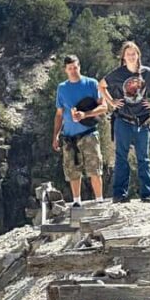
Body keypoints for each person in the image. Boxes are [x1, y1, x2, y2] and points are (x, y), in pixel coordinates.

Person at [100, 41, 150, 203]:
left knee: (143, 158)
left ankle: (147, 195)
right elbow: (101, 85)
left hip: (143, 121)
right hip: (123, 120)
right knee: (121, 157)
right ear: (123, 57)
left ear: (138, 55)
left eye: (134, 53)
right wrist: (111, 102)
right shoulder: (118, 73)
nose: (131, 56)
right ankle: (120, 194)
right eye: (128, 54)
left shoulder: (146, 73)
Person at [53, 55, 108, 207]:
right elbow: (59, 114)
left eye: (75, 67)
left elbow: (104, 107)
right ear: (65, 70)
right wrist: (56, 135)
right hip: (69, 137)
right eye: (70, 68)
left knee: (95, 169)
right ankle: (77, 202)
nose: (73, 71)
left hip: (89, 133)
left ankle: (99, 201)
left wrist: (86, 114)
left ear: (79, 66)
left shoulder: (91, 84)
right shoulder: (62, 88)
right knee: (72, 171)